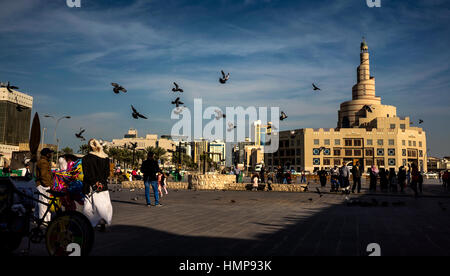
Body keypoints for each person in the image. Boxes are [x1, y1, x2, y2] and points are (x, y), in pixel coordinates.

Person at [82, 139, 113, 231]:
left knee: (88, 205)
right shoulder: (105, 158)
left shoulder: (86, 158)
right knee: (103, 204)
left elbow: (87, 174)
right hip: (102, 186)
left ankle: (90, 222)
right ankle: (102, 220)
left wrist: (94, 181)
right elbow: (107, 173)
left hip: (90, 185)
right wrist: (100, 181)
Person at [35, 148, 54, 222]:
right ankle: (44, 221)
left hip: (42, 185)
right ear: (47, 154)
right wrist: (48, 186)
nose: (51, 154)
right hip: (43, 186)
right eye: (50, 153)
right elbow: (44, 176)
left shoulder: (43, 161)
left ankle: (37, 219)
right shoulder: (43, 162)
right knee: (43, 204)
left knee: (40, 203)